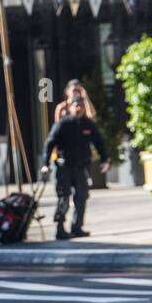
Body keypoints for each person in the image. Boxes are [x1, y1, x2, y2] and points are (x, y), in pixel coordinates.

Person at [43, 80, 110, 240]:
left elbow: (99, 142)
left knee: (81, 197)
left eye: (80, 105)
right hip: (63, 167)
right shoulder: (63, 123)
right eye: (75, 105)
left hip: (80, 167)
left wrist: (104, 159)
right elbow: (50, 142)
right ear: (70, 107)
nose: (78, 108)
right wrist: (45, 164)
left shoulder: (88, 124)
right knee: (63, 198)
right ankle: (60, 228)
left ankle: (77, 227)